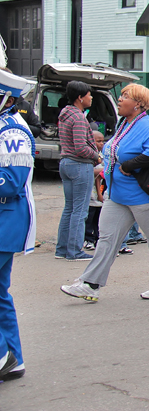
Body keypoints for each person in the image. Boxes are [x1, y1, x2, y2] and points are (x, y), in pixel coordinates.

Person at [61, 83, 149, 302]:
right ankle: (90, 284)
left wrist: (128, 166)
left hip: (144, 196)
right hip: (117, 196)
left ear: (138, 104)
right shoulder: (124, 123)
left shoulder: (148, 126)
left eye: (125, 96)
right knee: (106, 239)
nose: (120, 99)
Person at [0, 68, 37, 381]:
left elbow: (10, 182)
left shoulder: (14, 131)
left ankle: (2, 357)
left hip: (6, 219)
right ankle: (13, 358)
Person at [55, 81, 100, 261]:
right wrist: (96, 156)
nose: (91, 98)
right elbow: (81, 147)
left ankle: (62, 249)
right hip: (80, 165)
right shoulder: (79, 118)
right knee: (80, 211)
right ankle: (74, 251)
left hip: (66, 163)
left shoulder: (64, 115)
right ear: (80, 98)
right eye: (89, 95)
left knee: (69, 208)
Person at [83, 130, 106, 251]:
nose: (101, 144)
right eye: (98, 141)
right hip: (91, 192)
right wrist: (102, 171)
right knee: (89, 217)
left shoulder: (102, 156)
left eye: (103, 141)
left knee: (99, 217)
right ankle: (88, 239)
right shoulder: (90, 156)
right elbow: (90, 171)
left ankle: (97, 238)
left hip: (100, 192)